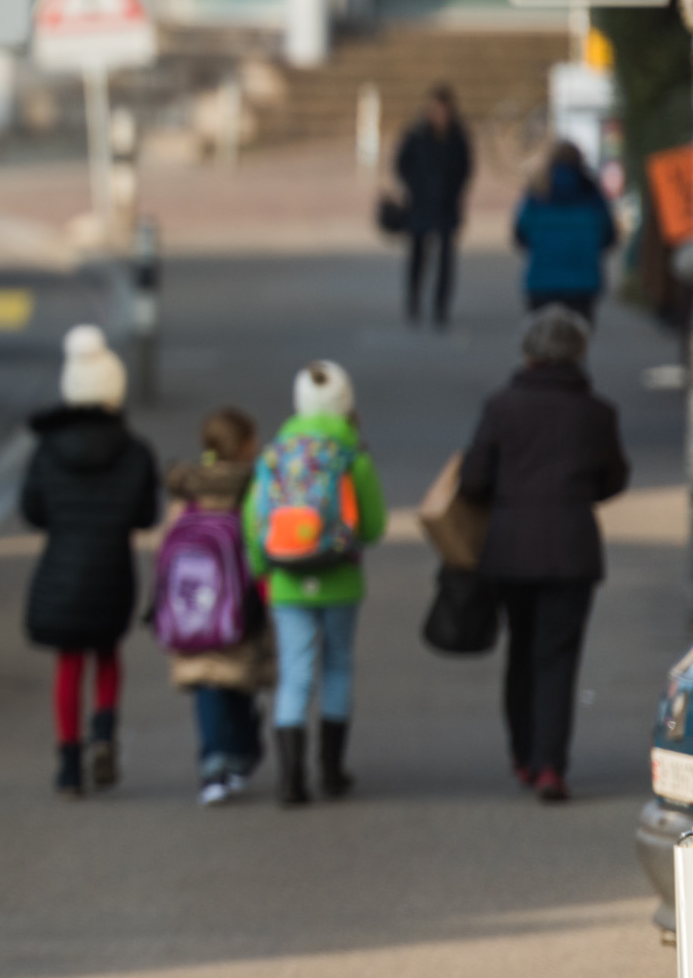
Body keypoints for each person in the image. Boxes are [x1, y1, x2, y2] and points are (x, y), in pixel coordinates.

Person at [458, 306, 628, 802]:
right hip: (573, 549)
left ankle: (525, 756)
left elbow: (474, 480)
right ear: (579, 352)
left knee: (521, 653)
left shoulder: (501, 407)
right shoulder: (598, 412)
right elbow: (614, 479)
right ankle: (552, 764)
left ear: (529, 352)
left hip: (510, 548)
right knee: (558, 657)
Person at [20, 324, 161, 797]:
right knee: (107, 651)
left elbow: (33, 510)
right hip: (113, 568)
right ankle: (103, 732)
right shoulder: (135, 450)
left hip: (61, 566)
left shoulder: (47, 449)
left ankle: (67, 760)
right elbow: (146, 515)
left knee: (69, 661)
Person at [246, 362, 387, 807]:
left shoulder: (273, 456)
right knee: (338, 665)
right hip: (340, 577)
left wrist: (261, 568)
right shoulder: (351, 455)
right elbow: (374, 526)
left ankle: (290, 778)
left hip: (287, 579)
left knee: (295, 672)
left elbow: (254, 522)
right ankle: (331, 771)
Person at [157, 407, 273, 806]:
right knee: (238, 680)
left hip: (191, 607)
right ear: (245, 447)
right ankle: (239, 753)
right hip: (238, 606)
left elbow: (167, 548)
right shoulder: (252, 488)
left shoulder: (186, 490)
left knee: (206, 682)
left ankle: (213, 763)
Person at [395, 84, 474, 328]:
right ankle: (414, 302)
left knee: (446, 259)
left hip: (447, 204)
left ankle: (440, 308)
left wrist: (454, 190)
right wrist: (414, 186)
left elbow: (466, 168)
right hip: (420, 204)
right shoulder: (417, 134)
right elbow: (401, 163)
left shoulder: (458, 136)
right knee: (418, 256)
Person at [513, 141, 617, 323]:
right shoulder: (594, 195)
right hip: (583, 285)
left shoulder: (536, 194)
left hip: (541, 284)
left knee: (541, 344)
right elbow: (609, 236)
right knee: (575, 343)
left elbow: (520, 235)